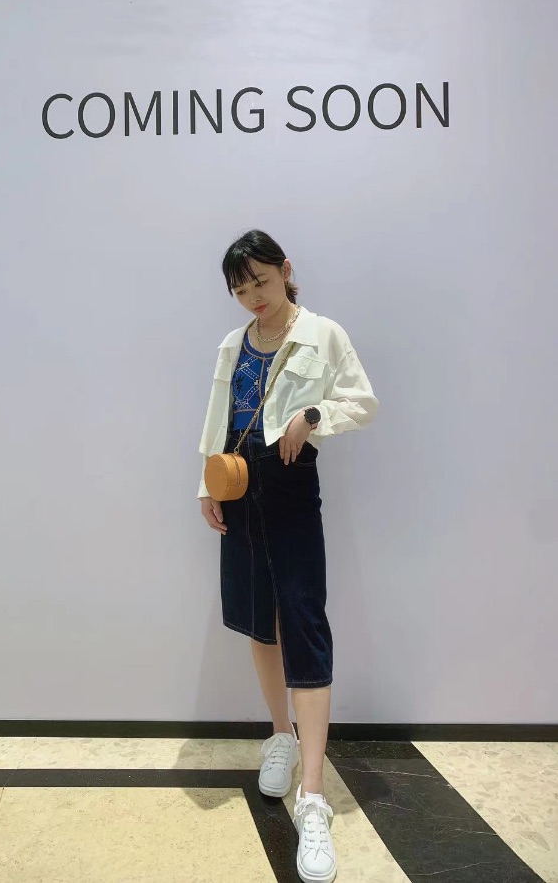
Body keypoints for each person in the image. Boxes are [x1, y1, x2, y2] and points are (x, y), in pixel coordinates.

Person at [198, 229, 378, 883]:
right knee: (259, 616)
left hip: (290, 482)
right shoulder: (232, 344)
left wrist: (313, 415)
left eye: (261, 282)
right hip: (236, 481)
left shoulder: (322, 334)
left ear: (285, 270)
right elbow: (218, 416)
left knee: (303, 620)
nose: (254, 297)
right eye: (241, 289)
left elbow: (362, 401)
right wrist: (205, 485)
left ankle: (313, 795)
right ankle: (279, 735)